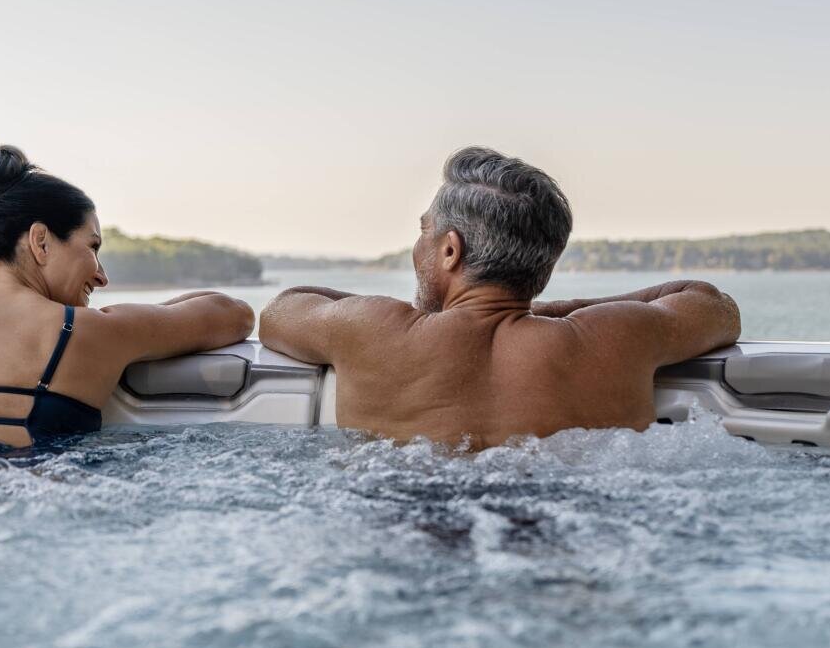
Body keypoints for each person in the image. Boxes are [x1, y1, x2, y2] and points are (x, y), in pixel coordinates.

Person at [258, 147, 740, 448]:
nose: (417, 247)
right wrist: (559, 311)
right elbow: (710, 303)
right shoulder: (615, 336)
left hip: (412, 535)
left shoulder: (370, 328)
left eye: (424, 233)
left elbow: (281, 310)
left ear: (450, 250)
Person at [0, 146, 254, 448]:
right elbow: (232, 314)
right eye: (92, 247)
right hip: (25, 495)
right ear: (40, 242)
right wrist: (134, 319)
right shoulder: (95, 332)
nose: (102, 274)